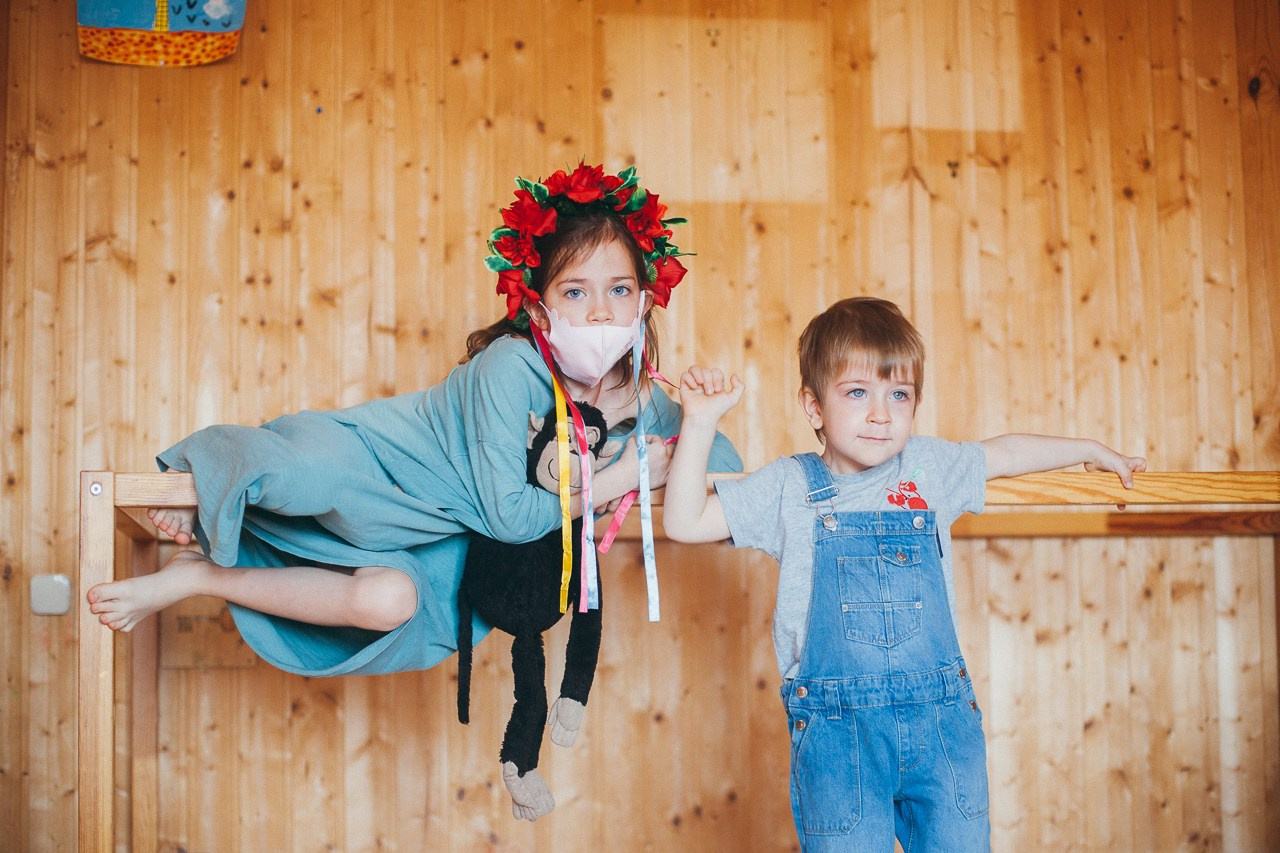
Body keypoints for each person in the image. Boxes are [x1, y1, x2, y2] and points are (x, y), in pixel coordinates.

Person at [87, 162, 742, 684]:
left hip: (430, 540)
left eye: (618, 290)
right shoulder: (511, 366)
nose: (601, 311)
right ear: (541, 314)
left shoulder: (641, 397)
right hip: (370, 464)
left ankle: (200, 573)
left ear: (644, 301)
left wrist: (703, 418)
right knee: (294, 471)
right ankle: (202, 475)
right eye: (577, 291)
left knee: (387, 605)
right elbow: (511, 519)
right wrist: (627, 474)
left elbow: (727, 471)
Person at [661, 296, 1145, 852]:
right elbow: (684, 520)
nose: (881, 414)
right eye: (857, 393)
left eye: (899, 395)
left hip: (942, 727)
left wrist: (1089, 449)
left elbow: (1006, 451)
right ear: (813, 406)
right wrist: (698, 422)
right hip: (839, 737)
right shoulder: (789, 487)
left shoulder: (930, 467)